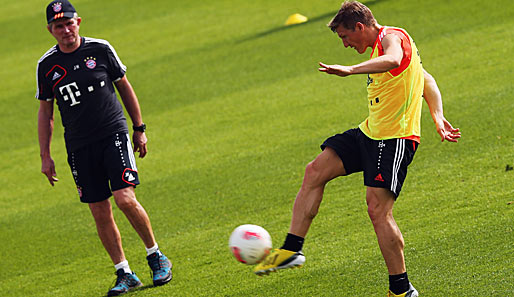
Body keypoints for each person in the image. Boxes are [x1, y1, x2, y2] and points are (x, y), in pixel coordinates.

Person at [254, 1, 461, 296]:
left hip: (395, 139)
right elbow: (425, 78)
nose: (345, 44)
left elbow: (393, 59)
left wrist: (350, 70)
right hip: (369, 132)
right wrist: (437, 116)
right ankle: (291, 250)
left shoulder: (393, 38)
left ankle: (401, 290)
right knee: (314, 171)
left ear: (360, 27)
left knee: (378, 211)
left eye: (345, 37)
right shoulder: (383, 46)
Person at [36, 1, 172, 295]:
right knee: (99, 210)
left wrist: (139, 129)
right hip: (79, 146)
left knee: (124, 198)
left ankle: (156, 256)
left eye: (69, 23)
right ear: (51, 30)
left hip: (112, 134)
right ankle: (124, 272)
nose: (66, 30)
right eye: (58, 26)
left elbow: (124, 85)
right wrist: (45, 156)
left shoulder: (100, 49)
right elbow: (45, 113)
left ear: (79, 22)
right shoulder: (46, 66)